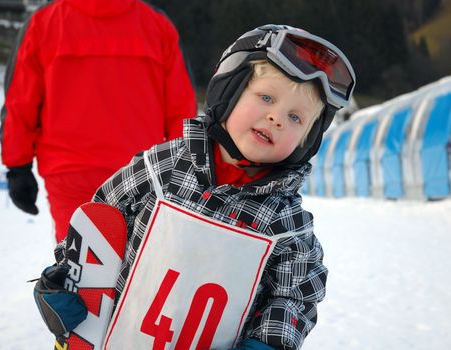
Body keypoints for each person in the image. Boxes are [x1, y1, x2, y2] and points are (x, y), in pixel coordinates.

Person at [33, 24, 356, 349]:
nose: (277, 118)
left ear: (306, 142)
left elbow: (295, 296)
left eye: (296, 118)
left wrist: (268, 342)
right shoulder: (161, 169)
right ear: (229, 89)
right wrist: (66, 280)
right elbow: (98, 225)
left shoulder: (286, 226)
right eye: (266, 97)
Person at [0, 0, 197, 242]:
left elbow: (20, 101)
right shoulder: (156, 24)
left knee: (76, 266)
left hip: (69, 172)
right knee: (136, 266)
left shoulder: (45, 22)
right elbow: (181, 109)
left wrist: (18, 167)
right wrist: (185, 170)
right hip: (141, 173)